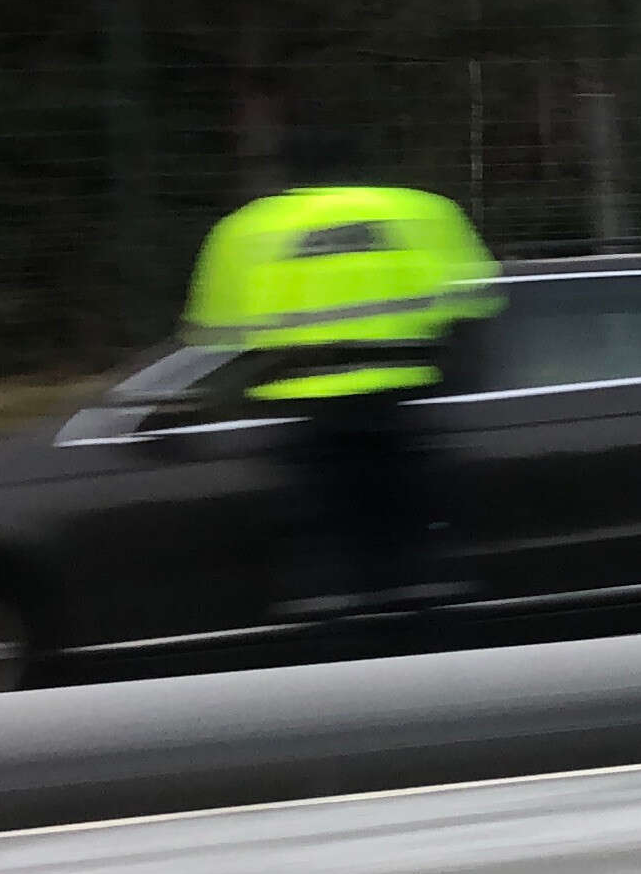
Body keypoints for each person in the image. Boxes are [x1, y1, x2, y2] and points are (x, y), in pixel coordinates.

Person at [180, 135, 502, 616]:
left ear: (289, 175)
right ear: (362, 167)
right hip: (402, 416)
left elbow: (212, 343)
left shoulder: (243, 231)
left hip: (305, 429)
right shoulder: (423, 212)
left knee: (324, 568)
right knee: (419, 560)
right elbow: (480, 307)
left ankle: (336, 636)